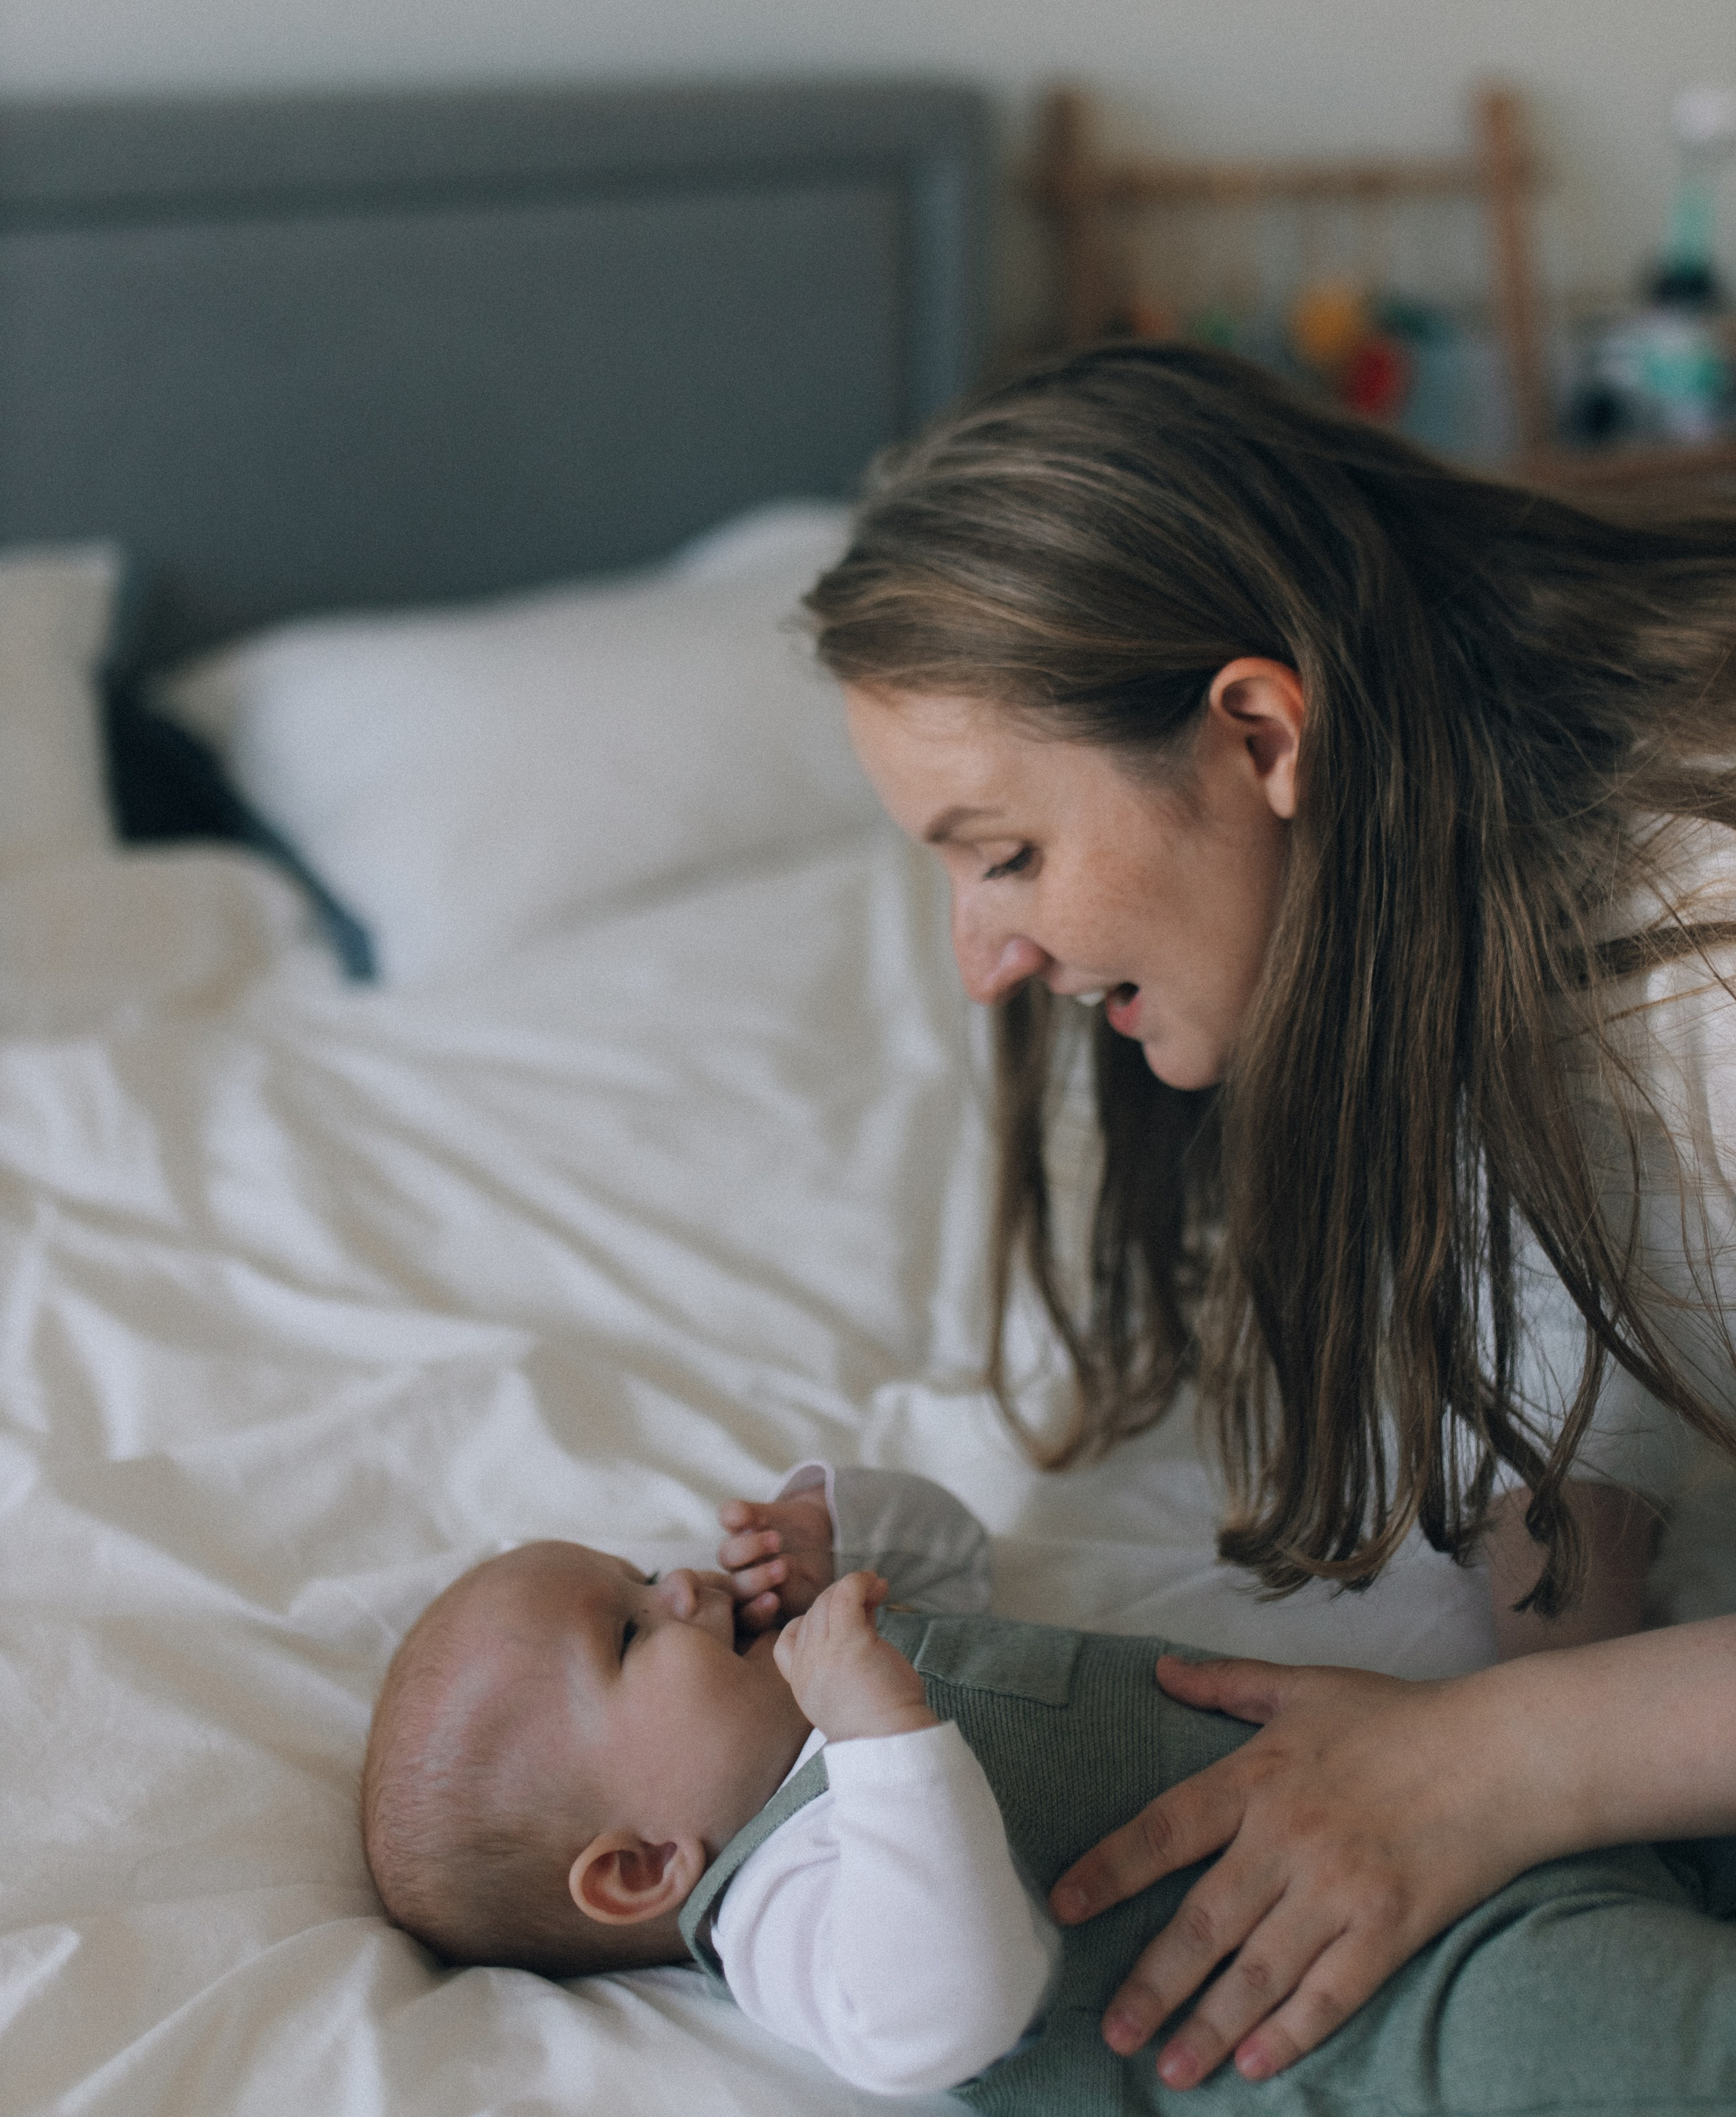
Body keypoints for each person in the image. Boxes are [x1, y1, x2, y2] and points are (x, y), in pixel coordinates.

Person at [800, 342, 1736, 2091]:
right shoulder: (1469, 978)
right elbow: (1563, 1454)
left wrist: (1511, 1763)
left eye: (1001, 853)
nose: (980, 965)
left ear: (1253, 735)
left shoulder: (1707, 957)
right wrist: (1548, 1811)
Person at [361, 1464, 1735, 2110]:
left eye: (629, 1568)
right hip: (1399, 2006)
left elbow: (954, 1565)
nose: (675, 1582)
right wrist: (873, 1739)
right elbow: (938, 2017)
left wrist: (840, 1537)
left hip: (1471, 1808)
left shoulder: (839, 1668)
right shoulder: (779, 1897)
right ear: (644, 1867)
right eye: (625, 1630)